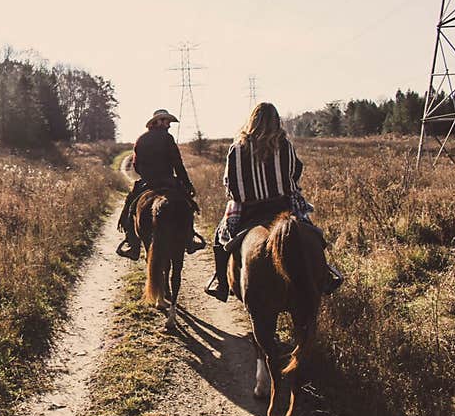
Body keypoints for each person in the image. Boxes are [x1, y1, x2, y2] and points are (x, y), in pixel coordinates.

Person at [205, 102, 343, 302]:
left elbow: (230, 184)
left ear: (252, 120)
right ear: (276, 121)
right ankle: (325, 275)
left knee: (220, 238)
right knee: (312, 233)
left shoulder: (237, 148)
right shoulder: (285, 145)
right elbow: (295, 172)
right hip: (283, 205)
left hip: (249, 209)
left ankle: (221, 283)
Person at [116, 109, 207, 260]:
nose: (169, 125)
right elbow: (177, 164)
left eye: (169, 122)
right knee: (188, 205)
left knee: (130, 208)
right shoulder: (167, 137)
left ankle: (132, 245)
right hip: (168, 181)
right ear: (157, 122)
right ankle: (190, 239)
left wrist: (147, 174)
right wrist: (187, 184)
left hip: (147, 182)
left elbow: (136, 166)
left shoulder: (140, 139)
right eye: (166, 121)